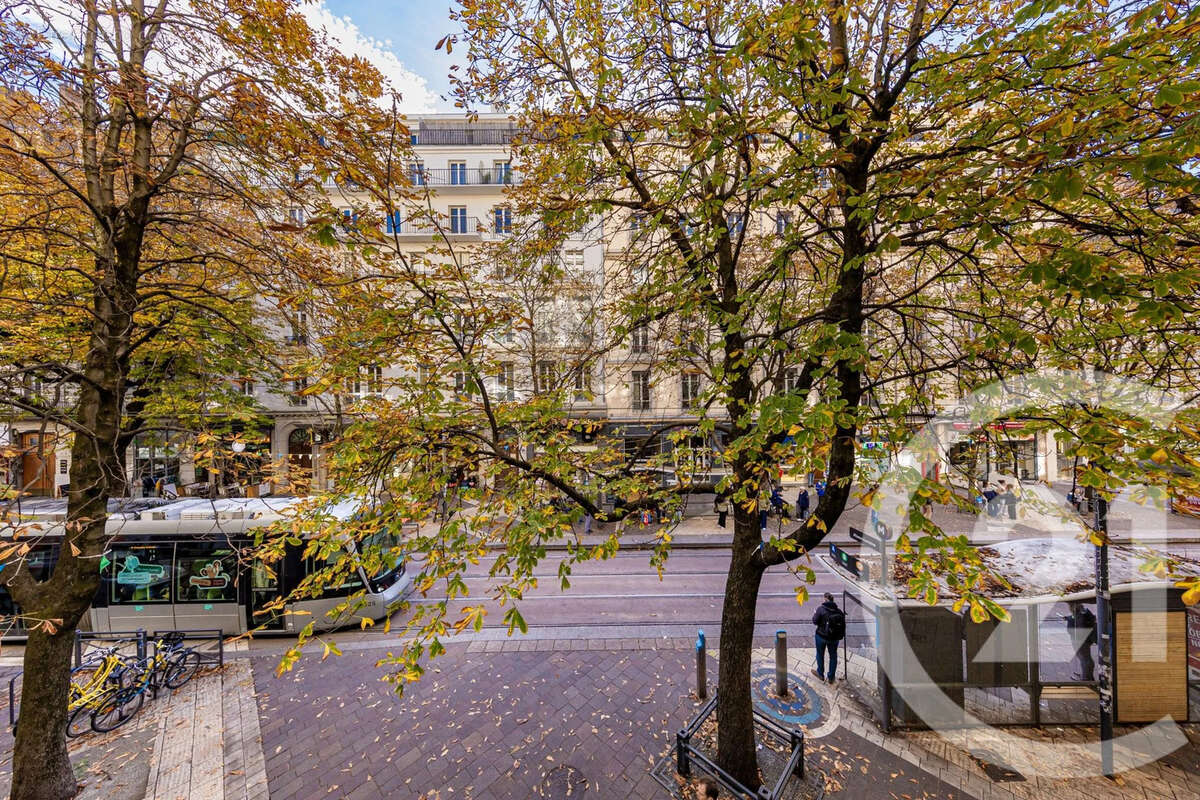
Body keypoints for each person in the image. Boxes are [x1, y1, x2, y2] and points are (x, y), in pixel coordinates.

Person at [811, 592, 845, 684]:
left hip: (821, 637)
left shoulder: (821, 609)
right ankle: (831, 677)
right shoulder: (839, 612)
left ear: (825, 600)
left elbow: (815, 621)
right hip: (834, 638)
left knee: (820, 654)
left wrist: (815, 614)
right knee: (833, 656)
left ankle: (820, 674)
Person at [1065, 602, 1097, 681]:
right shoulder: (1084, 613)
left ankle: (1086, 679)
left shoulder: (1077, 616)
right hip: (1086, 640)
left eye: (1069, 606)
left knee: (1085, 659)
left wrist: (1070, 620)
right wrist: (1069, 618)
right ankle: (1086, 675)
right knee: (1086, 659)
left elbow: (1071, 631)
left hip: (1080, 641)